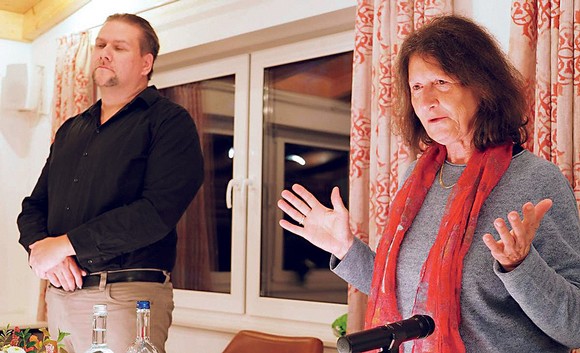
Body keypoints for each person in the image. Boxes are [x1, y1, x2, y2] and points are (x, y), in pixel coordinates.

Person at [277, 15, 580, 353]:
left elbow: (575, 327)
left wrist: (520, 266)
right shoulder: (415, 178)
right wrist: (345, 250)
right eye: (417, 87)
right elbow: (407, 296)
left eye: (441, 82)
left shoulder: (536, 180)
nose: (425, 100)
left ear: (483, 87)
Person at [17, 13, 204, 353]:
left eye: (119, 47)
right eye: (100, 44)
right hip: (61, 296)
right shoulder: (72, 129)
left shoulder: (170, 123)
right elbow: (35, 206)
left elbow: (155, 213)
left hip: (123, 298)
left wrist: (64, 244)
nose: (104, 52)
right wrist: (42, 246)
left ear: (146, 63)